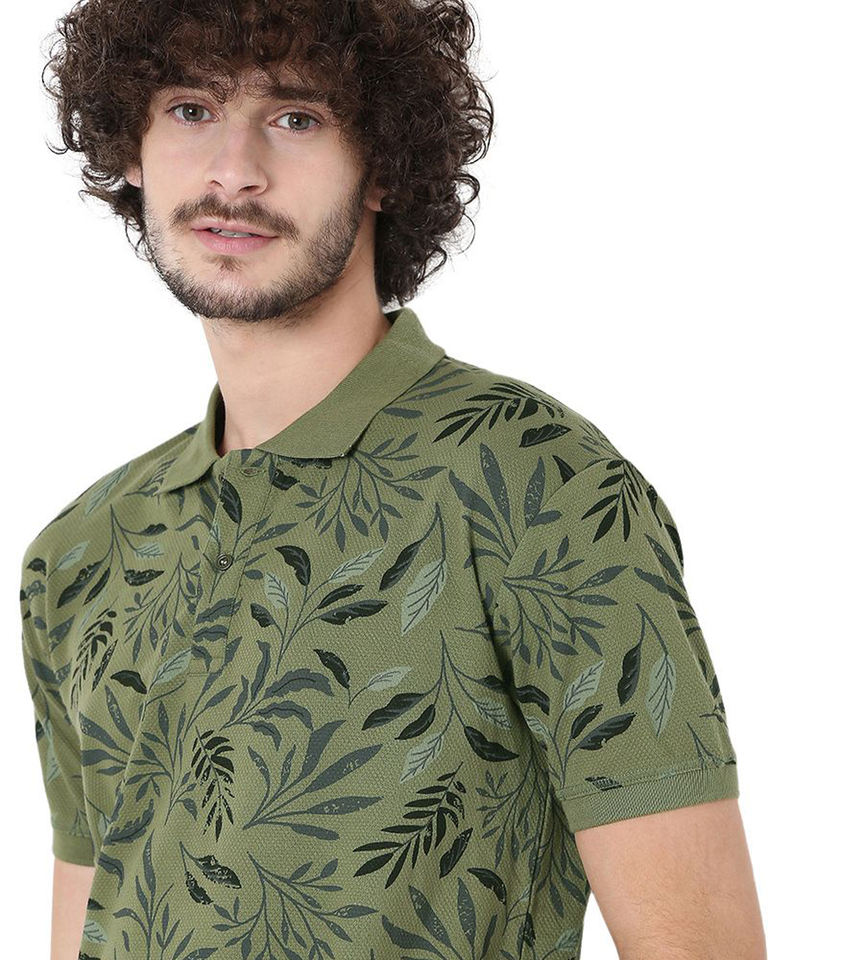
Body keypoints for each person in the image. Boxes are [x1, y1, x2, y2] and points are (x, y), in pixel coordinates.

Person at [20, 1, 766, 957]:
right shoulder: (79, 554)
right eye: (191, 110)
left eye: (296, 117)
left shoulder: (536, 482)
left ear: (383, 165)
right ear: (132, 149)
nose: (234, 169)